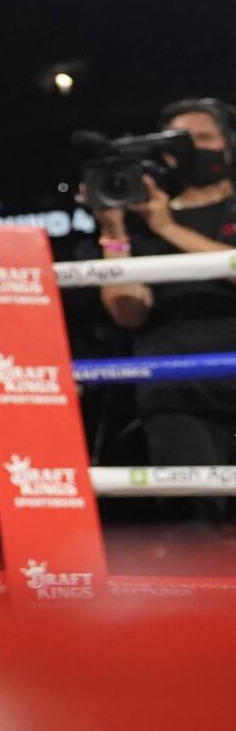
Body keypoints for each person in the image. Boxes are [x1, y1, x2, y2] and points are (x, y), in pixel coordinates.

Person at [92, 98, 236, 534]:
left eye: (204, 138)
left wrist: (170, 228)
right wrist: (114, 234)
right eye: (181, 141)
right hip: (175, 389)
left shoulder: (165, 224)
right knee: (195, 526)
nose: (193, 148)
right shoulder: (137, 223)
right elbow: (129, 315)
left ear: (228, 146)